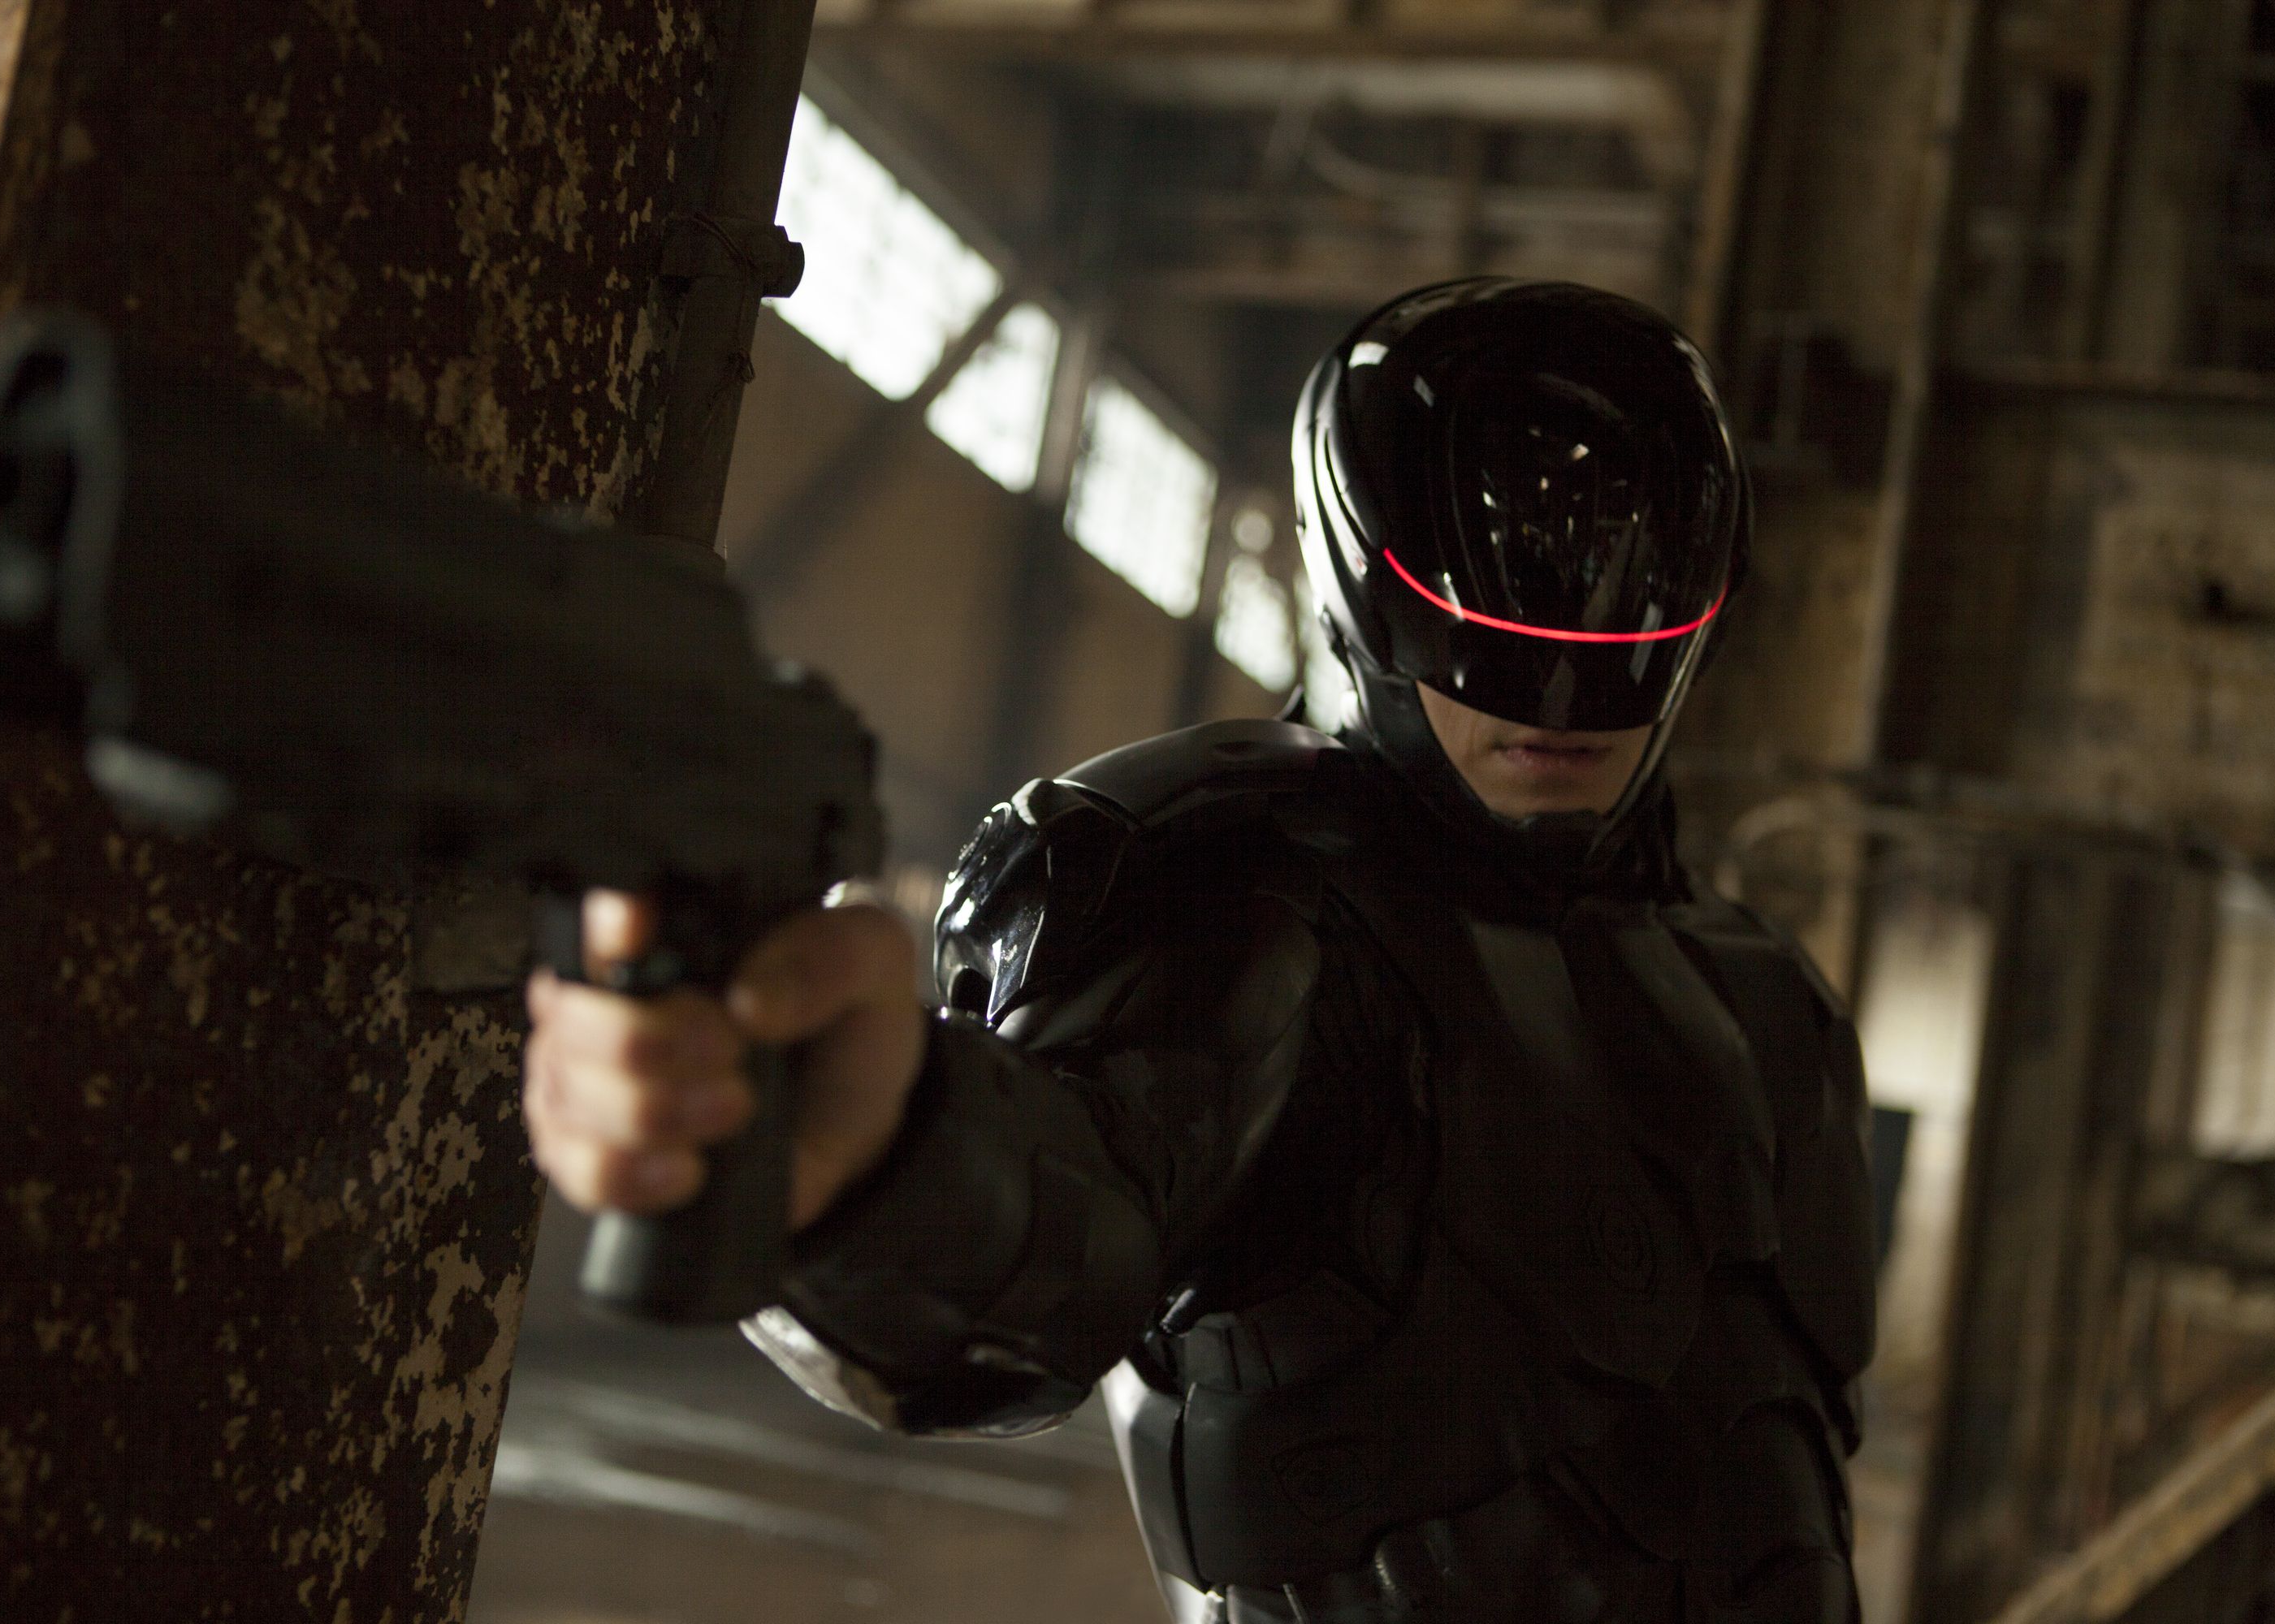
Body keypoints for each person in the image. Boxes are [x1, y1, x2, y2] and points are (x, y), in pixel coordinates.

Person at [522, 279, 1876, 1623]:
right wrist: (879, 1159)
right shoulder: (1250, 894)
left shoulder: (1766, 1001)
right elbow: (1065, 1215)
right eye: (1510, 621)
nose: (1560, 703)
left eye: (1622, 617)